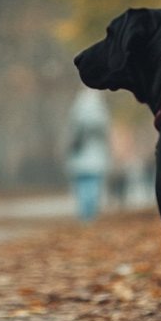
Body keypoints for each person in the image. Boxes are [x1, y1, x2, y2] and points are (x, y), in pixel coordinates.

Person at [66, 88, 112, 221]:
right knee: (93, 187)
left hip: (79, 160)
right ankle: (90, 214)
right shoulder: (101, 116)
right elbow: (106, 136)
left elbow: (72, 138)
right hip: (96, 160)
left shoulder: (76, 115)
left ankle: (85, 214)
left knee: (82, 187)